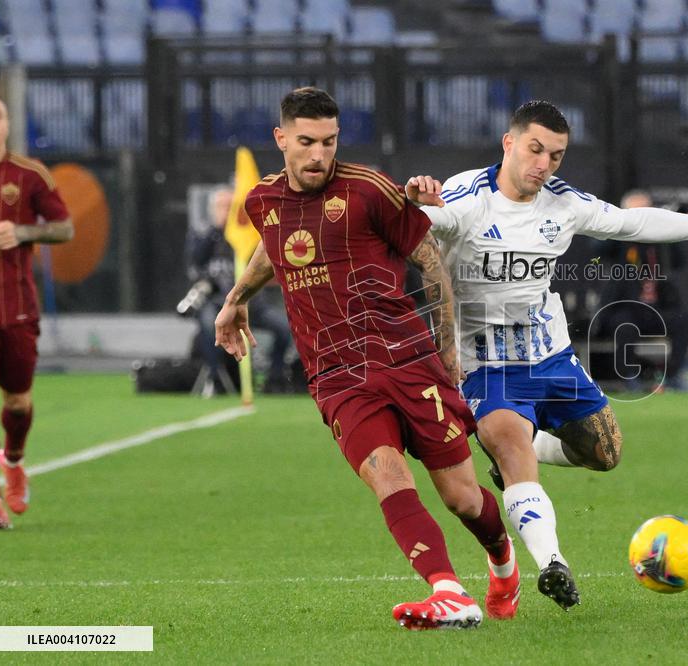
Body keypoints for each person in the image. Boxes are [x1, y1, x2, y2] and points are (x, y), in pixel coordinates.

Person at [405, 100, 688, 608]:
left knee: (606, 455)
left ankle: (527, 453)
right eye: (535, 149)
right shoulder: (463, 198)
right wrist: (412, 202)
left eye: (556, 155)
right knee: (510, 447)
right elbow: (401, 229)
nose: (544, 164)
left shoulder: (563, 202)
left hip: (550, 356)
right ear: (508, 143)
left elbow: (631, 224)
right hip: (487, 365)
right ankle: (553, 563)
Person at [214, 88, 517, 629]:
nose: (318, 155)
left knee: (464, 499)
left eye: (328, 142)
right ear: (281, 139)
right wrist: (236, 299)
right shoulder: (262, 201)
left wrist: (447, 351)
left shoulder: (369, 188)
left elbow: (429, 260)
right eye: (306, 142)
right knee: (387, 475)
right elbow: (272, 244)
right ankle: (448, 591)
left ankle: (502, 562)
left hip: (407, 359)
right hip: (337, 375)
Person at [0, 94, 73, 530]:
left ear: (7, 123)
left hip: (17, 310)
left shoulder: (28, 175)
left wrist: (21, 231)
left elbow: (65, 227)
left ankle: (15, 460)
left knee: (18, 404)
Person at [184, 186, 293, 394]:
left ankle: (275, 378)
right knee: (208, 325)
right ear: (212, 209)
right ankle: (216, 380)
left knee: (284, 329)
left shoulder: (247, 237)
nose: (226, 211)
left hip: (251, 303)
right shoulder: (201, 234)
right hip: (215, 302)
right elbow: (196, 260)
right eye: (222, 206)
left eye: (230, 206)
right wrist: (217, 229)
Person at [595, 189, 688, 392]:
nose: (641, 220)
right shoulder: (616, 240)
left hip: (655, 309)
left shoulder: (659, 243)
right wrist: (623, 228)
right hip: (624, 308)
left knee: (684, 321)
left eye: (646, 213)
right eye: (636, 214)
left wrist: (670, 228)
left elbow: (679, 261)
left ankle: (671, 377)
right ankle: (629, 379)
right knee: (624, 325)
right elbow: (598, 248)